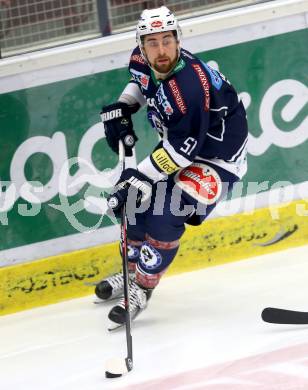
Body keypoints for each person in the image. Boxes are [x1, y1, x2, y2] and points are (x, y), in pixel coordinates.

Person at [96, 6, 248, 326]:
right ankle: (132, 270)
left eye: (167, 40)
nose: (161, 50)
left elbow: (182, 152)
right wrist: (124, 107)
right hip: (180, 143)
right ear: (141, 46)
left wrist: (135, 177)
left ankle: (142, 288)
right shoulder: (141, 61)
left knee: (167, 211)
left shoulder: (189, 86)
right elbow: (141, 84)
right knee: (137, 201)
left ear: (178, 40)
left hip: (216, 158)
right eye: (152, 43)